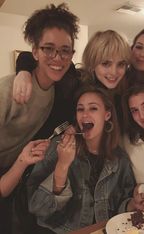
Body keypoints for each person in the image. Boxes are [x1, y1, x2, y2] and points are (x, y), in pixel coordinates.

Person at [0, 3, 79, 233]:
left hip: (15, 177)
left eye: (65, 50)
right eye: (49, 49)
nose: (58, 58)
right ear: (35, 51)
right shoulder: (8, 90)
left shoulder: (60, 90)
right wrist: (23, 70)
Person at [27, 86, 139, 233]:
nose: (85, 114)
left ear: (107, 115)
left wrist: (134, 204)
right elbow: (37, 208)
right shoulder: (58, 146)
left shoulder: (120, 159)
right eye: (80, 109)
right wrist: (62, 165)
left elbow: (123, 205)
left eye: (93, 108)